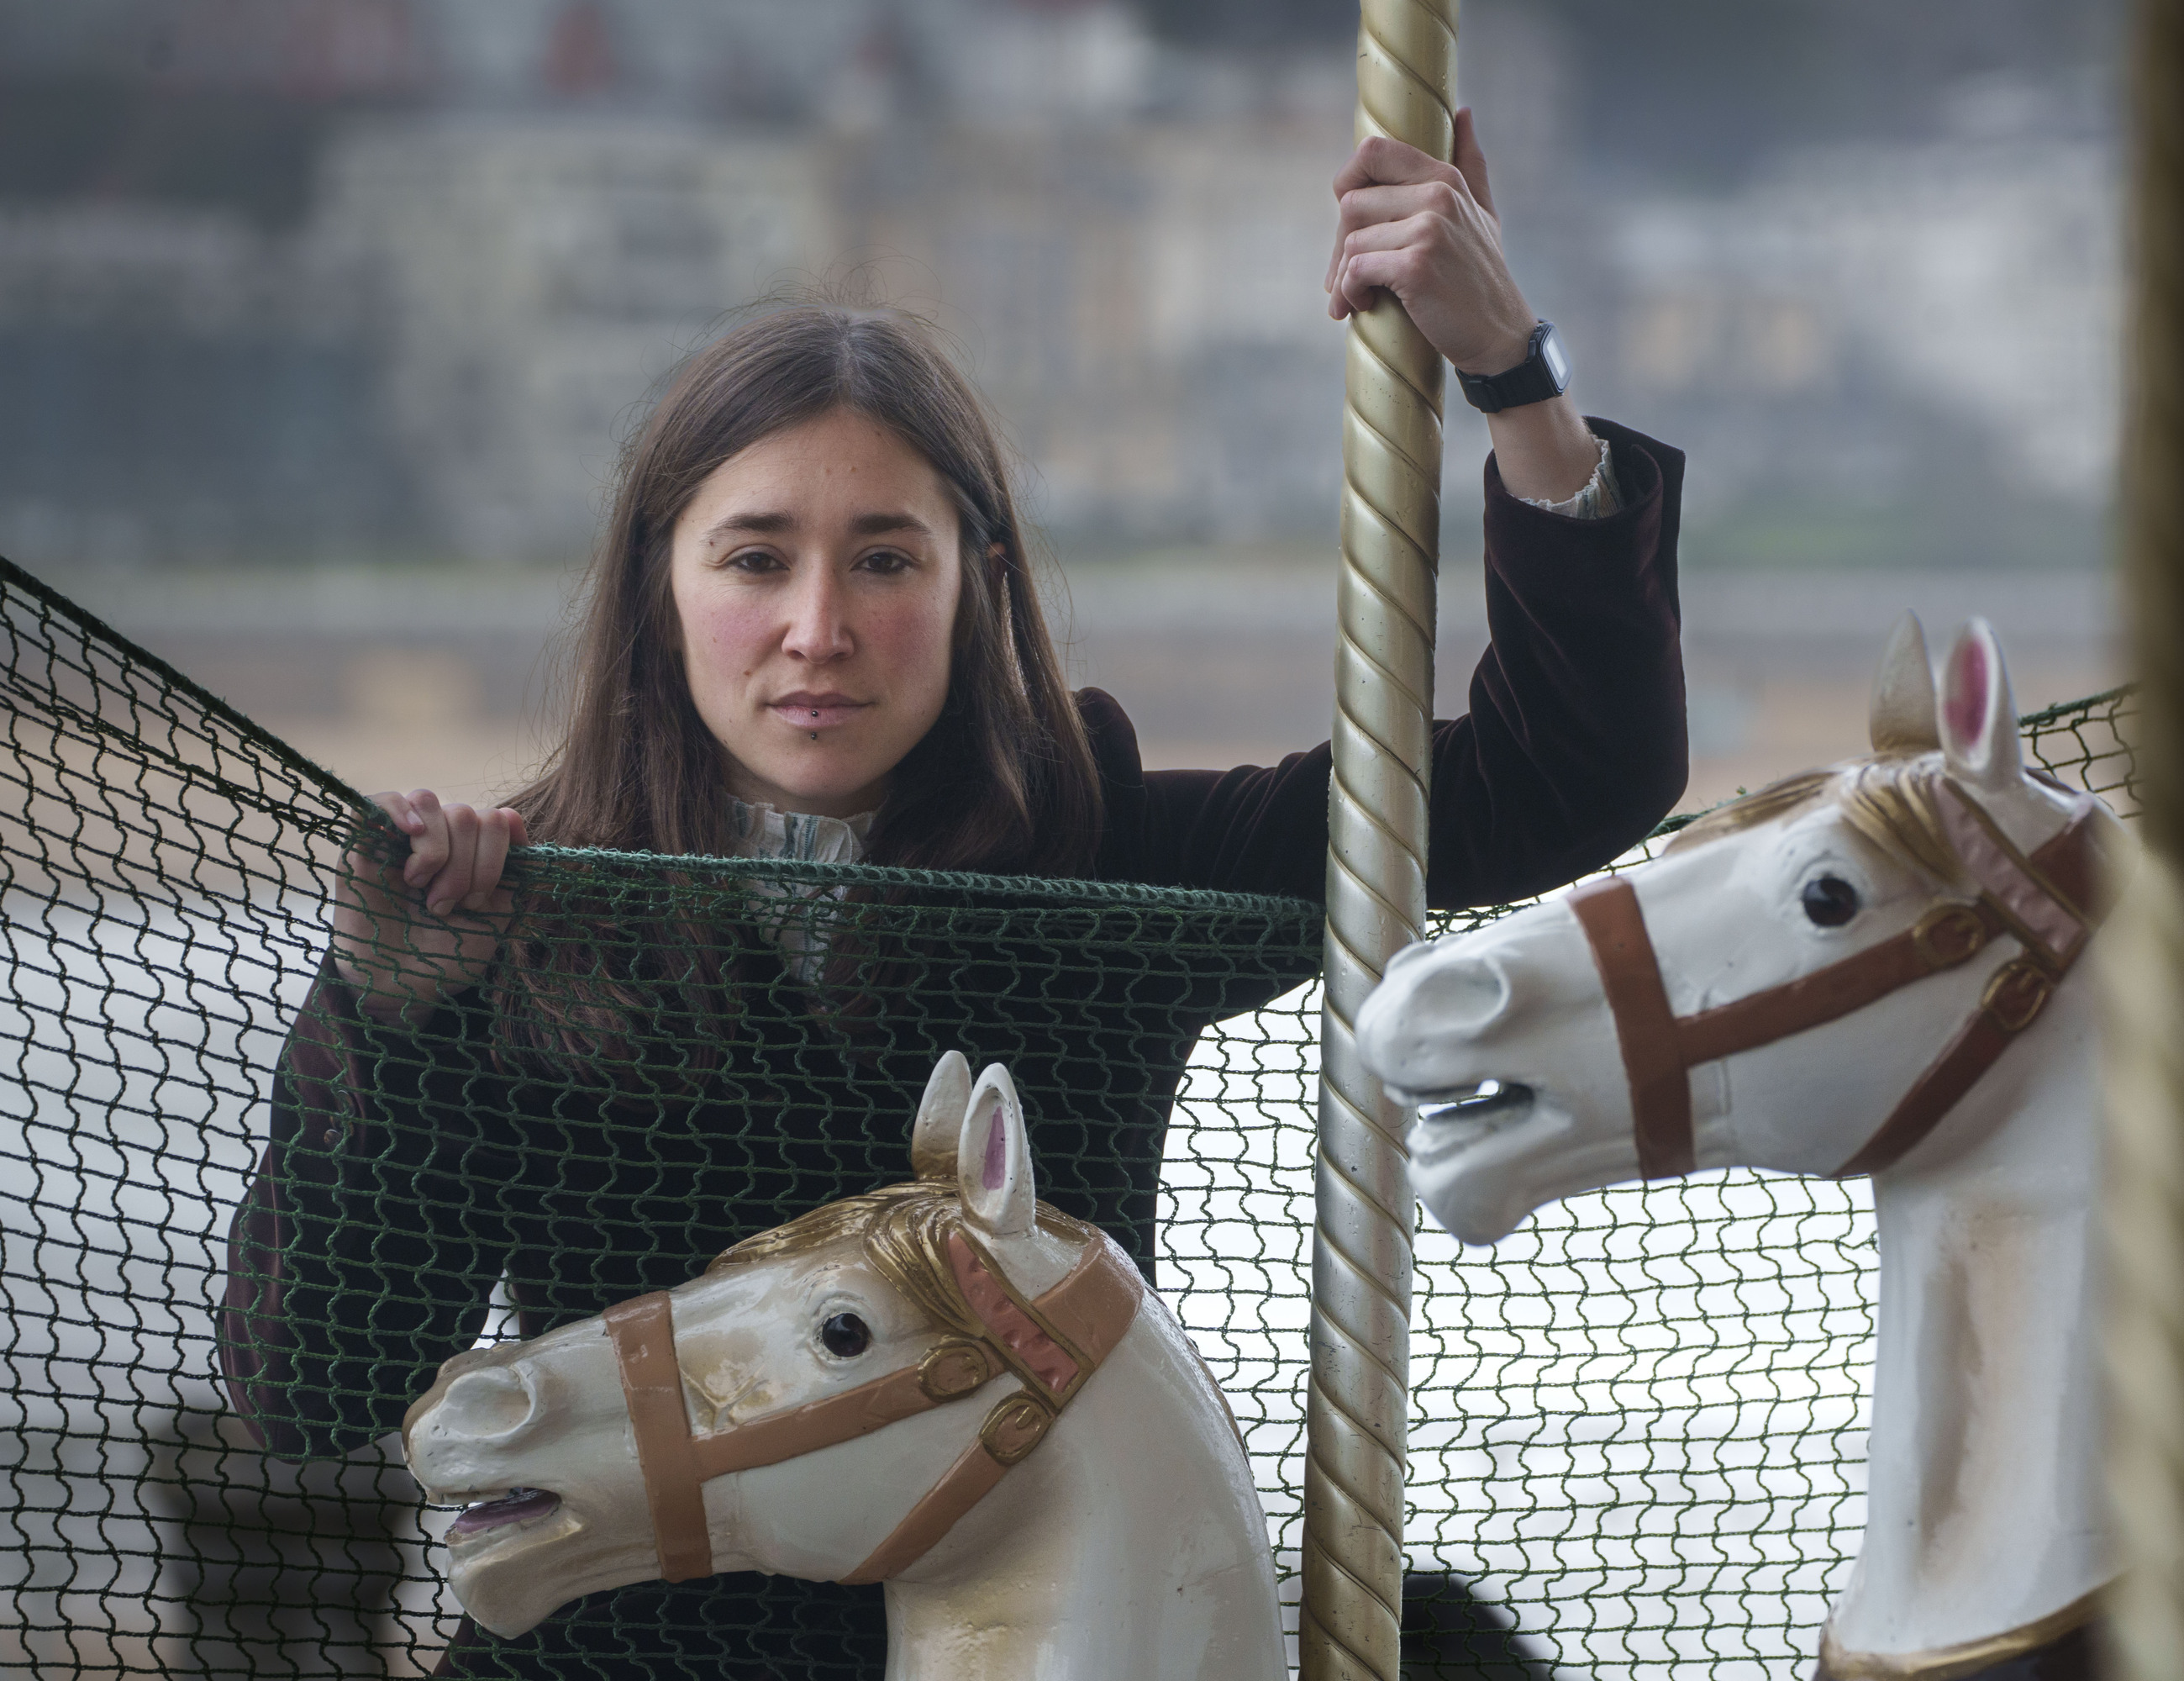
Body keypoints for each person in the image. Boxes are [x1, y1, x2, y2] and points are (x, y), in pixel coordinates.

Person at [219, 113, 1687, 1680]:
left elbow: (1567, 776)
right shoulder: (511, 912)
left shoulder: (1098, 865)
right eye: (756, 558)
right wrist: (383, 1010)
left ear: (978, 576)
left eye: (885, 560)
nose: (817, 628)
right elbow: (310, 1389)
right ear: (663, 586)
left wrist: (1511, 374)